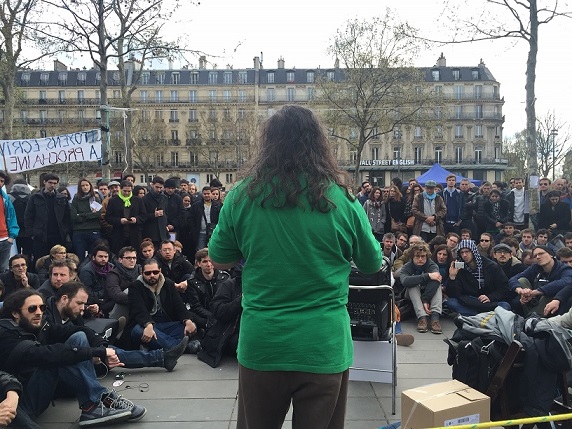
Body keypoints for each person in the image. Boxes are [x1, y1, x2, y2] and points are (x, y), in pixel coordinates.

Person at [208, 105, 382, 429]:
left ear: (268, 143)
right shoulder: (343, 199)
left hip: (264, 342)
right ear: (319, 143)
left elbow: (220, 258)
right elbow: (372, 263)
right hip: (323, 344)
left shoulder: (241, 196)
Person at [0, 289, 143, 426]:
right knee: (59, 357)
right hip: (17, 404)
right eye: (32, 309)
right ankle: (96, 401)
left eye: (42, 308)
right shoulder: (6, 335)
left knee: (78, 337)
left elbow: (77, 329)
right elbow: (45, 354)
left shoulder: (37, 325)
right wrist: (94, 352)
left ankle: (93, 404)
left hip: (42, 386)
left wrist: (102, 347)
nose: (39, 313)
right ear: (15, 313)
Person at [45, 282, 188, 373]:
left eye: (84, 304)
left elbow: (83, 330)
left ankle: (163, 357)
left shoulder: (72, 312)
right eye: (80, 303)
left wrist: (99, 349)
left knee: (113, 352)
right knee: (112, 352)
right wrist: (95, 352)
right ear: (64, 299)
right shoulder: (45, 314)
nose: (83, 308)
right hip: (62, 361)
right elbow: (67, 337)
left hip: (81, 352)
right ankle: (163, 357)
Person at [124, 258, 201, 354]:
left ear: (160, 271)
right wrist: (148, 325)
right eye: (148, 273)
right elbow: (139, 310)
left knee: (188, 327)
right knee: (140, 332)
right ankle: (182, 348)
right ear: (142, 273)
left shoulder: (168, 284)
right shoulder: (135, 287)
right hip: (142, 324)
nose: (152, 275)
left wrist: (188, 321)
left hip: (164, 325)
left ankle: (157, 345)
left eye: (155, 272)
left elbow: (179, 305)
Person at [445, 239, 511, 316]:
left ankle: (476, 317)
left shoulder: (491, 266)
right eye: (462, 252)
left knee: (505, 305)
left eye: (467, 251)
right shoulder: (459, 268)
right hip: (469, 301)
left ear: (473, 251)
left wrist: (490, 297)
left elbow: (504, 288)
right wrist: (452, 278)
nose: (464, 255)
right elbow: (454, 294)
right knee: (450, 302)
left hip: (489, 302)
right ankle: (480, 317)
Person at [509, 245, 572, 317]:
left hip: (554, 304)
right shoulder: (535, 267)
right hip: (533, 301)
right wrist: (521, 291)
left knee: (550, 292)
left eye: (541, 254)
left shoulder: (563, 268)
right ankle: (531, 318)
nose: (538, 257)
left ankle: (531, 319)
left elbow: (567, 281)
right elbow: (513, 279)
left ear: (551, 254)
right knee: (522, 280)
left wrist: (536, 292)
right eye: (535, 256)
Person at [24, 173, 70, 263]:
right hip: (40, 236)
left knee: (59, 262)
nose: (52, 185)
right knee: (40, 262)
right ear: (44, 182)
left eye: (55, 183)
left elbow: (68, 216)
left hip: (58, 236)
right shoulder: (35, 197)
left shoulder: (62, 198)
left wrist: (66, 231)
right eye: (50, 182)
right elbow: (28, 216)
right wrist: (32, 233)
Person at [400, 242, 443, 334]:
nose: (420, 259)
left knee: (438, 282)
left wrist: (425, 300)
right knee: (412, 284)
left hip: (427, 294)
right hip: (410, 295)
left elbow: (437, 278)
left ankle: (435, 318)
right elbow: (405, 281)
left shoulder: (431, 265)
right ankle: (422, 318)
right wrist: (427, 276)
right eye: (417, 256)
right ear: (412, 257)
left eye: (423, 256)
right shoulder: (406, 267)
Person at [186, 248, 230, 330]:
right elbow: (196, 306)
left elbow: (229, 300)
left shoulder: (225, 278)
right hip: (204, 316)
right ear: (199, 263)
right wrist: (210, 315)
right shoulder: (192, 282)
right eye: (205, 261)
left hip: (222, 313)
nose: (209, 264)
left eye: (211, 261)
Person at [105, 180, 146, 255]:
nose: (127, 193)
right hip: (119, 234)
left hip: (134, 234)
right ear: (120, 189)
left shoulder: (138, 200)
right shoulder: (113, 201)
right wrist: (119, 220)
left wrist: (136, 219)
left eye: (129, 191)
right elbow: (108, 218)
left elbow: (143, 215)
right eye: (125, 191)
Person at [104, 246, 140, 320]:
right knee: (128, 291)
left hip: (136, 306)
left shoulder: (140, 270)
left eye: (134, 258)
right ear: (120, 260)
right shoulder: (113, 274)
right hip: (114, 308)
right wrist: (137, 298)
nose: (132, 260)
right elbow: (116, 295)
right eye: (128, 258)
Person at [70, 178, 102, 262]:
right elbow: (73, 216)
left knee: (94, 256)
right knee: (79, 257)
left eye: (87, 185)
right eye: (82, 185)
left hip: (93, 230)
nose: (85, 187)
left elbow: (97, 214)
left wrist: (81, 215)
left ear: (90, 186)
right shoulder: (76, 200)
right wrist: (89, 215)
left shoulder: (95, 199)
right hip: (79, 231)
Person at [78, 244, 114, 317]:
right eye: (100, 256)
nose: (103, 259)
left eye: (106, 257)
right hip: (93, 301)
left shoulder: (111, 267)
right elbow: (86, 292)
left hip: (108, 298)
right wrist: (105, 291)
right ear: (93, 257)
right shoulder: (87, 271)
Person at [8, 178, 33, 263]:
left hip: (12, 232)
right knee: (28, 254)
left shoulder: (9, 197)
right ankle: (28, 270)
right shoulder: (31, 197)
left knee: (14, 255)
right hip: (28, 231)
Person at [190, 186, 221, 251]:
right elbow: (191, 219)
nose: (206, 195)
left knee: (213, 251)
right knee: (200, 252)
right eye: (205, 194)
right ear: (202, 194)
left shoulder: (218, 205)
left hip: (213, 233)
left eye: (208, 193)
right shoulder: (196, 205)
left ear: (211, 194)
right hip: (200, 233)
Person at [141, 177, 170, 247]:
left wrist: (166, 224)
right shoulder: (145, 199)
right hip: (151, 233)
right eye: (157, 187)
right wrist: (153, 215)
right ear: (152, 185)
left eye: (160, 187)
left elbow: (166, 213)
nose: (158, 190)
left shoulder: (164, 198)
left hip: (163, 233)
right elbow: (142, 216)